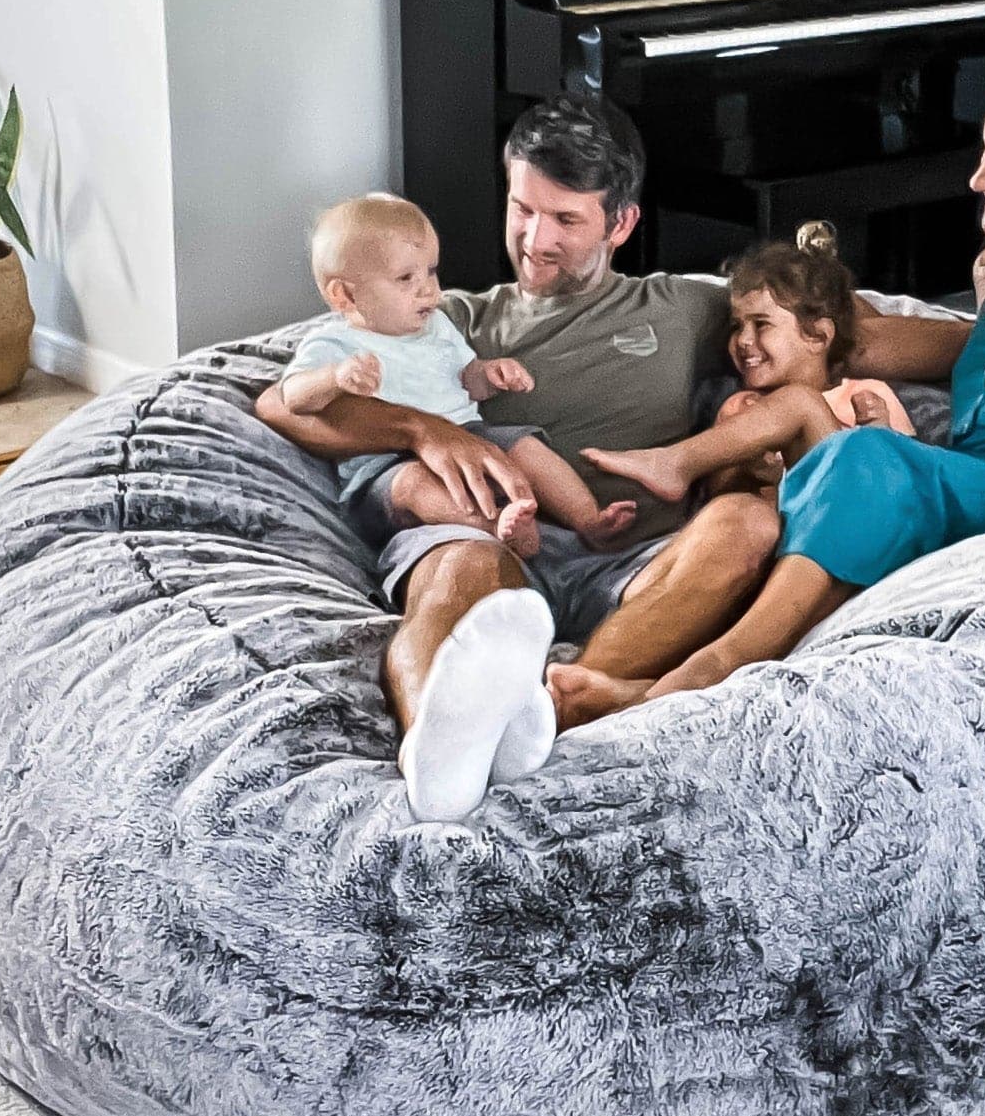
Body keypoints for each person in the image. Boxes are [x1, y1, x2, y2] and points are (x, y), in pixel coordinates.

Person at [545, 61, 985, 728]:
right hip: (967, 487)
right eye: (984, 156)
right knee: (813, 493)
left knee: (865, 455)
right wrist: (779, 306)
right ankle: (634, 685)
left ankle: (699, 674)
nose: (979, 180)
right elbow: (871, 341)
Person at [254, 95, 782, 821]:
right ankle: (432, 755)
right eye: (522, 209)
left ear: (622, 223)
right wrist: (424, 431)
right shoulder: (450, 320)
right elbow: (280, 404)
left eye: (566, 220)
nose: (534, 239)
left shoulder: (683, 308)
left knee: (747, 525)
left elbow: (841, 328)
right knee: (460, 569)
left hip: (631, 556)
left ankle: (556, 703)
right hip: (485, 535)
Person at [280, 194, 642, 560]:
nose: (429, 290)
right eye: (406, 278)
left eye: (431, 270)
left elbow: (466, 379)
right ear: (345, 295)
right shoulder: (335, 341)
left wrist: (490, 373)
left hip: (468, 432)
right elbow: (293, 397)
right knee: (414, 485)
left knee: (526, 446)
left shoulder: (436, 325)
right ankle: (498, 528)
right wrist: (334, 378)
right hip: (387, 461)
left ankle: (590, 521)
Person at [583, 220, 916, 507]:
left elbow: (909, 477)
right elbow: (719, 498)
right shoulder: (743, 409)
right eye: (736, 326)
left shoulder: (867, 394)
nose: (743, 340)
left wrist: (880, 434)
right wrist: (752, 475)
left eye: (761, 324)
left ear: (818, 336)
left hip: (859, 509)